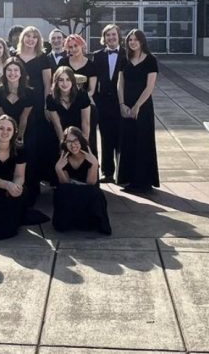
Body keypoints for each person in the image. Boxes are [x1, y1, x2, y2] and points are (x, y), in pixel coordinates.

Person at [116, 29, 160, 193]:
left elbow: (150, 87)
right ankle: (129, 179)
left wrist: (137, 107)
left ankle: (144, 181)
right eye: (130, 40)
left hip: (143, 107)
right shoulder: (124, 59)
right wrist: (122, 104)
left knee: (143, 142)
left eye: (135, 39)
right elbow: (120, 84)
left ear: (142, 41)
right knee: (128, 142)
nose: (132, 42)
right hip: (125, 106)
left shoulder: (151, 60)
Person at [53, 126, 111, 235]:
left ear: (81, 140)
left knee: (95, 193)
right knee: (61, 191)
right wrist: (58, 169)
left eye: (75, 140)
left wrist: (94, 164)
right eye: (69, 141)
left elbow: (91, 184)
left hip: (87, 192)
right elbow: (65, 183)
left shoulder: (89, 154)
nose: (73, 144)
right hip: (71, 191)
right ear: (65, 144)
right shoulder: (63, 157)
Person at [17, 26, 54, 185]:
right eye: (28, 36)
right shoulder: (14, 56)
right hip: (18, 102)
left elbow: (48, 84)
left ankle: (35, 179)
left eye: (34, 37)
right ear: (22, 38)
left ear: (39, 40)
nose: (31, 39)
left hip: (38, 103)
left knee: (35, 141)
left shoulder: (43, 57)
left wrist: (46, 105)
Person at [92, 23, 124, 183]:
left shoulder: (126, 54)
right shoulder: (97, 55)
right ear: (103, 38)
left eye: (114, 35)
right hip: (103, 103)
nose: (111, 38)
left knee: (121, 138)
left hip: (121, 102)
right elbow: (93, 79)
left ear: (119, 37)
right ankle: (107, 172)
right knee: (105, 138)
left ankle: (122, 173)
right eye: (108, 35)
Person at [46, 66, 92, 149]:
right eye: (61, 80)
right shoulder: (51, 99)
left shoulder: (82, 95)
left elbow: (86, 123)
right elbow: (57, 125)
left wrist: (84, 145)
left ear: (72, 81)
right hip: (62, 133)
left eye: (68, 79)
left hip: (81, 132)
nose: (65, 83)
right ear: (56, 82)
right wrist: (64, 146)